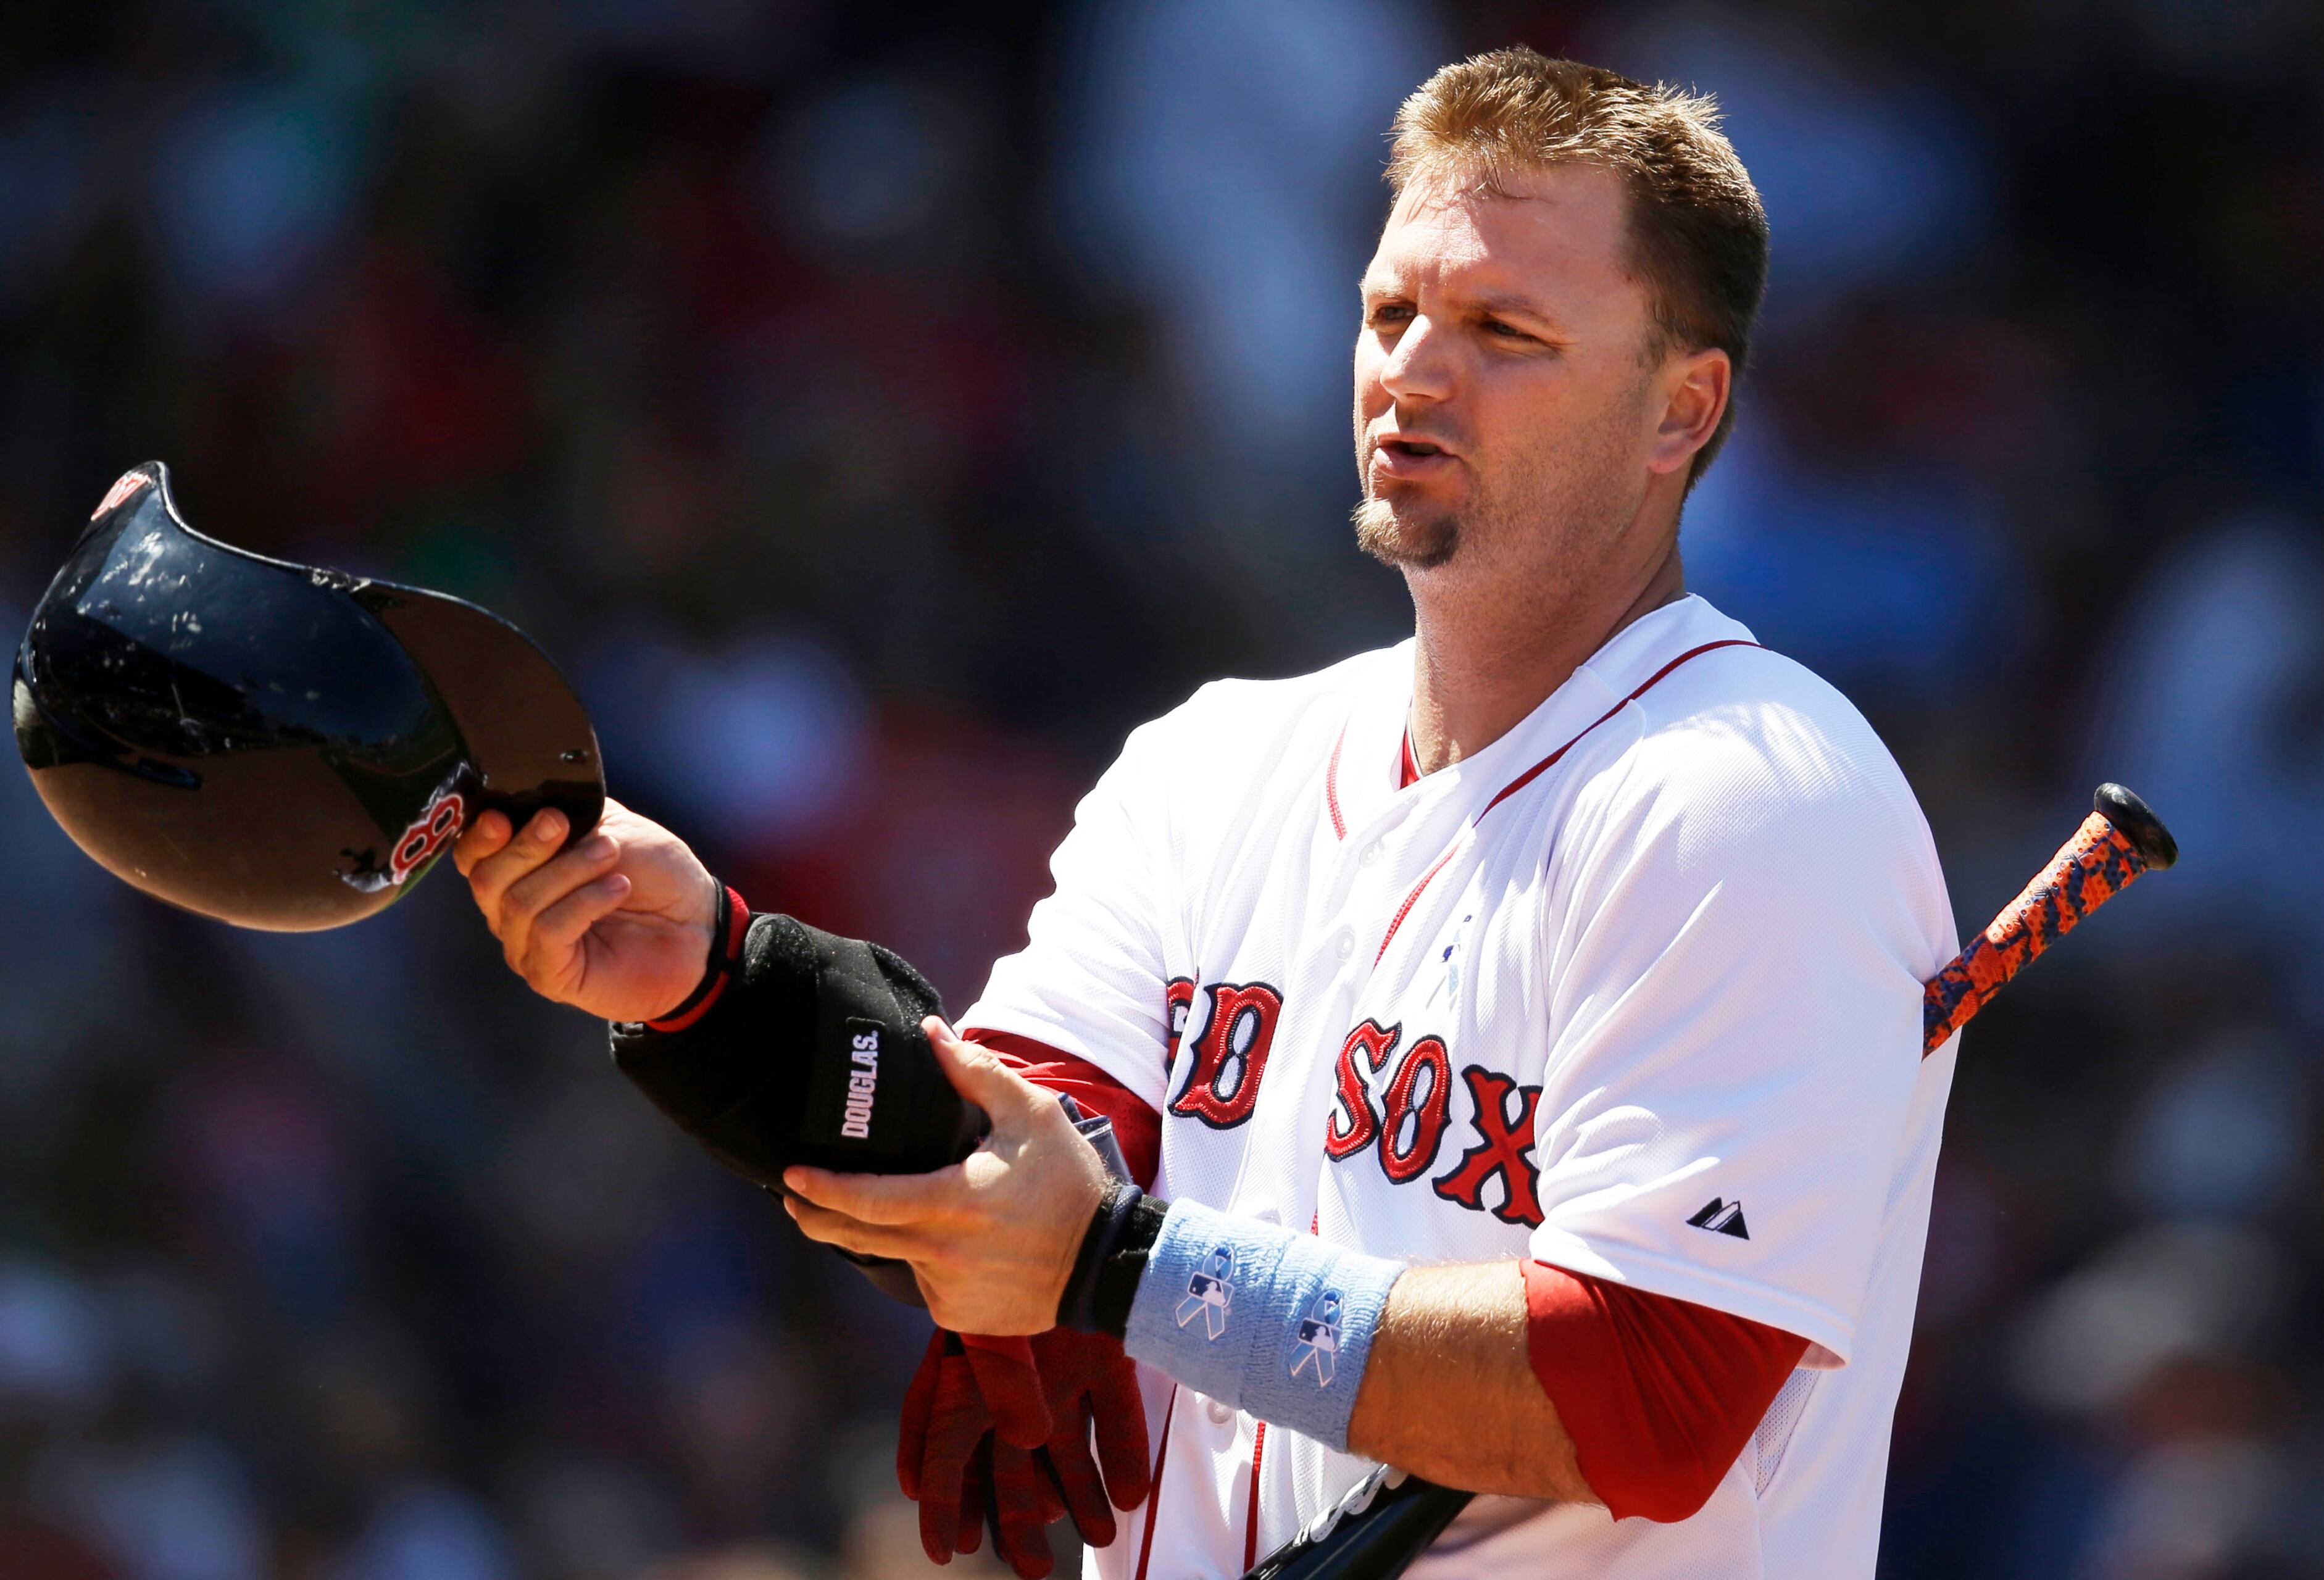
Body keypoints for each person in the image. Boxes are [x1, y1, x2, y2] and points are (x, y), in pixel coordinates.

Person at [455, 49, 1959, 1580]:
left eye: (1505, 330)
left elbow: (1649, 1392)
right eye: (1390, 313)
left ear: (1680, 410)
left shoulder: (1755, 802)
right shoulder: (1214, 762)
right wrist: (717, 980)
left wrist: (1120, 1266)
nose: (1415, 372)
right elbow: (1005, 1156)